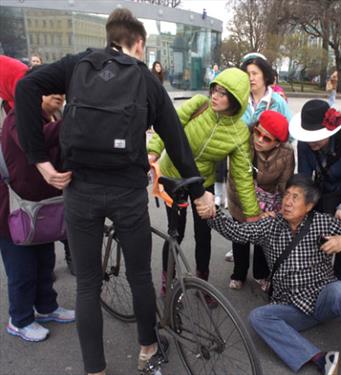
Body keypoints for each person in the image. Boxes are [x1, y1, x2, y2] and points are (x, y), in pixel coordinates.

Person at [14, 8, 214, 375]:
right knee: (140, 275)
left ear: (109, 39)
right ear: (138, 43)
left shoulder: (77, 65)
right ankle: (147, 349)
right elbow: (176, 138)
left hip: (81, 189)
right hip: (127, 193)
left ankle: (95, 370)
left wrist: (40, 160)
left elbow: (25, 86)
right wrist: (199, 191)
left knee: (88, 284)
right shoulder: (146, 79)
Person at [209, 174, 341, 375]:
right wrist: (212, 214)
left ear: (309, 206)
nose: (287, 202)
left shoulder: (323, 223)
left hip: (323, 299)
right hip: (290, 306)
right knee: (258, 318)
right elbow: (237, 232)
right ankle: (320, 359)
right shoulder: (270, 225)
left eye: (295, 197)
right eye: (286, 195)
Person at [147, 67, 260, 299]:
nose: (215, 95)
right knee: (175, 234)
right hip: (174, 176)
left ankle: (202, 285)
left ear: (236, 100)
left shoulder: (239, 132)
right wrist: (153, 151)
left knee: (204, 234)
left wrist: (252, 213)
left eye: (223, 93)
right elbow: (168, 125)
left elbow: (242, 176)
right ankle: (168, 282)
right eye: (215, 89)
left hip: (203, 182)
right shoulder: (198, 104)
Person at [0, 64, 75, 344]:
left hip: (40, 207)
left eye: (61, 89)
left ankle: (46, 307)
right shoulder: (21, 117)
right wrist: (73, 122)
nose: (58, 94)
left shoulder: (50, 117)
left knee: (44, 262)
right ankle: (19, 319)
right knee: (22, 270)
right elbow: (39, 140)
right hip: (13, 210)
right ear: (31, 91)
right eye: (50, 88)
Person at [224, 53, 292, 263]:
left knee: (264, 219)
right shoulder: (238, 100)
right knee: (241, 211)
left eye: (255, 73)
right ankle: (239, 252)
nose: (251, 78)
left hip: (268, 168)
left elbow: (287, 134)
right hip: (242, 160)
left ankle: (261, 267)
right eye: (247, 74)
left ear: (265, 76)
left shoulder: (277, 101)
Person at [290, 99, 341, 280]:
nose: (312, 143)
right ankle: (316, 274)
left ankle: (338, 276)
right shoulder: (304, 143)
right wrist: (302, 204)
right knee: (317, 233)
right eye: (308, 137)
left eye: (316, 137)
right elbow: (305, 175)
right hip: (323, 190)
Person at [227, 110, 294, 290]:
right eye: (257, 132)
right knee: (240, 237)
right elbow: (237, 181)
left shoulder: (287, 153)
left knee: (262, 238)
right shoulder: (243, 143)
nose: (259, 140)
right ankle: (238, 273)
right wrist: (255, 210)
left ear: (278, 143)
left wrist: (279, 210)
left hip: (270, 201)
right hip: (240, 197)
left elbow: (284, 184)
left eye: (267, 138)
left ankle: (260, 273)